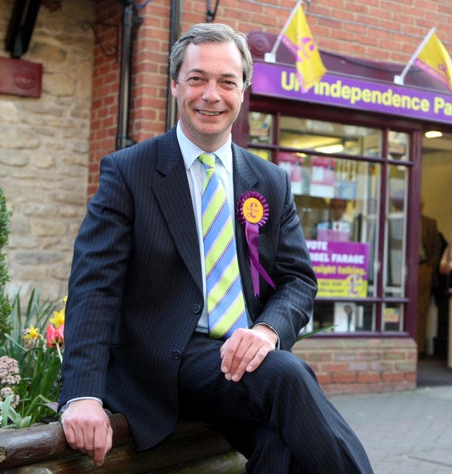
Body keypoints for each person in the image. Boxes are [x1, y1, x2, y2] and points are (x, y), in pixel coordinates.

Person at [57, 23, 373, 473]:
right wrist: (82, 395)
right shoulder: (129, 173)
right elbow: (94, 288)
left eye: (227, 81)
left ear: (243, 91)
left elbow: (298, 280)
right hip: (166, 363)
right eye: (197, 78)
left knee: (279, 446)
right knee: (287, 374)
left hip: (245, 362)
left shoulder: (270, 180)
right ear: (174, 85)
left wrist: (266, 332)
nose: (211, 94)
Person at [416, 198, 442, 358]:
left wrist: (430, 267)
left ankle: (418, 347)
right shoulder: (400, 220)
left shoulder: (430, 223)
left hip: (422, 267)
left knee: (421, 309)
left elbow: (436, 246)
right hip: (403, 269)